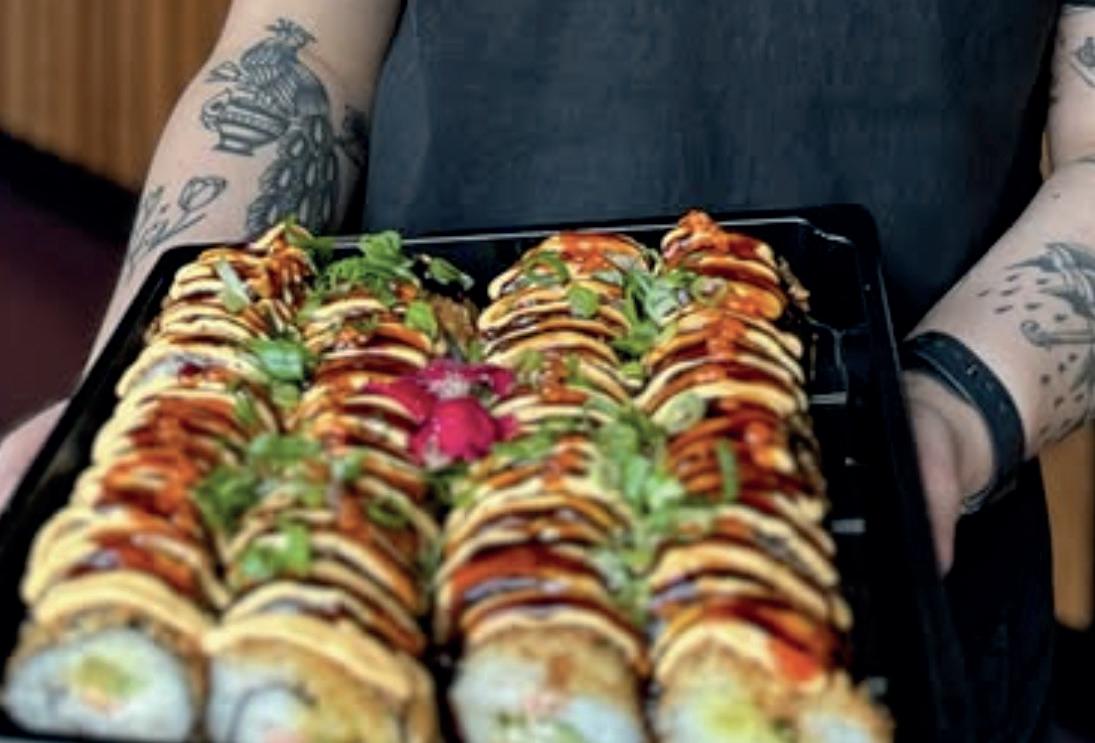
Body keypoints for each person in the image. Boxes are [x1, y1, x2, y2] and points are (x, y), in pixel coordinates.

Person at [2, 1, 1094, 739]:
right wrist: (147, 396)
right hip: (380, 497)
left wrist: (942, 425)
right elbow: (298, 54)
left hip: (887, 526)